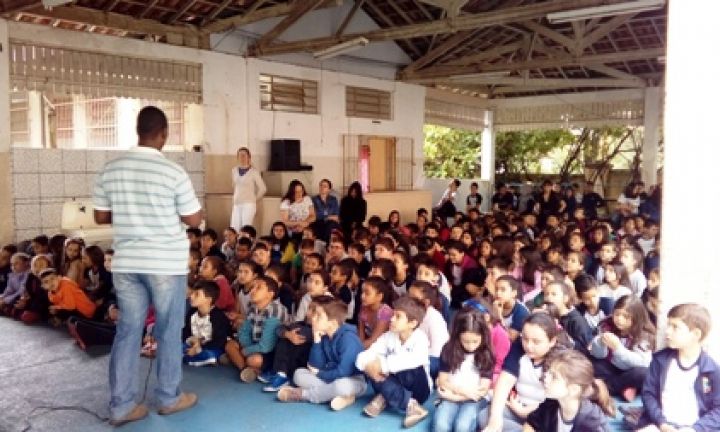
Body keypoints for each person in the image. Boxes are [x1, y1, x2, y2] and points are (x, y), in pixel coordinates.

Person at [93, 105, 203, 425]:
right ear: (164, 134)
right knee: (169, 330)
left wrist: (130, 214)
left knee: (128, 330)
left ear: (138, 131)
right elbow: (193, 219)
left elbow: (100, 216)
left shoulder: (111, 169)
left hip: (127, 263)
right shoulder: (173, 172)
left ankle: (122, 406)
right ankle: (169, 397)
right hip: (165, 263)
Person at [479, 312, 571, 432]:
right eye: (525, 339)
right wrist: (495, 419)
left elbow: (558, 400)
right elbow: (505, 381)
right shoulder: (519, 347)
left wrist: (526, 411)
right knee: (484, 417)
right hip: (517, 407)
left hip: (543, 416)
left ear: (552, 341)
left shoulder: (561, 360)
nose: (528, 346)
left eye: (536, 342)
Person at [636, 303, 720, 431]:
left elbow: (718, 410)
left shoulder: (711, 370)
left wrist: (695, 429)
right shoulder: (660, 360)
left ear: (696, 334)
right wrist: (661, 423)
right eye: (668, 325)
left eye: (675, 327)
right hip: (659, 425)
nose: (667, 331)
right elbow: (648, 394)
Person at [277, 296, 367, 411]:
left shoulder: (348, 339)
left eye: (318, 316)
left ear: (332, 323)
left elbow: (343, 372)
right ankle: (340, 397)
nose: (313, 318)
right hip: (330, 378)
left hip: (353, 380)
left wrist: (320, 374)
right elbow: (316, 366)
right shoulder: (323, 336)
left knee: (341, 386)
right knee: (298, 374)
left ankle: (303, 395)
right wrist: (317, 340)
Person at [355, 296, 432, 428]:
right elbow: (362, 357)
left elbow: (412, 360)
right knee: (372, 369)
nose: (391, 319)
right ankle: (411, 406)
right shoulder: (388, 336)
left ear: (412, 323)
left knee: (406, 368)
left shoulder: (420, 339)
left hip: (419, 390)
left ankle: (386, 397)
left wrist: (382, 365)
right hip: (397, 385)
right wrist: (368, 366)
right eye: (393, 315)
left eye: (398, 316)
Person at [433, 307, 494, 432]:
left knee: (462, 427)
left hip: (473, 399)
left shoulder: (486, 353)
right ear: (457, 335)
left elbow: (483, 389)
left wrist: (457, 398)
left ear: (483, 336)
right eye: (466, 341)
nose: (471, 346)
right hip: (453, 393)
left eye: (475, 341)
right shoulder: (448, 349)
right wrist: (461, 391)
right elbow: (443, 380)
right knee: (441, 426)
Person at [524, 349, 615, 431]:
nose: (546, 378)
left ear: (573, 390)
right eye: (548, 372)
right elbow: (531, 423)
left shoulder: (591, 423)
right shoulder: (550, 404)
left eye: (554, 377)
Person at [589, 295, 654, 401]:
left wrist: (618, 348)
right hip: (610, 367)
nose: (619, 319)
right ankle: (624, 388)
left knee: (644, 373)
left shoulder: (643, 334)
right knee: (590, 359)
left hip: (630, 370)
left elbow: (643, 362)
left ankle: (606, 387)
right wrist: (600, 342)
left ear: (636, 318)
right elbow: (598, 354)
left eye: (626, 316)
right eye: (617, 314)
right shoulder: (606, 325)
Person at [224, 276, 290, 383]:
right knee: (230, 345)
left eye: (258, 288)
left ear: (270, 294)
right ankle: (245, 369)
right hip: (254, 345)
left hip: (272, 351)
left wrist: (245, 351)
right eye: (253, 287)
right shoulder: (253, 307)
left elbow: (266, 346)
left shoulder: (275, 310)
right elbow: (244, 331)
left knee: (254, 360)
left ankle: (243, 363)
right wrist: (246, 346)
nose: (253, 290)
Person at [182, 280, 231, 367]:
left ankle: (194, 358)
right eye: (192, 293)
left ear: (208, 299)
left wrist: (199, 348)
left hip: (210, 346)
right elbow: (185, 331)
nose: (191, 296)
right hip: (193, 343)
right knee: (179, 348)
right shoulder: (192, 312)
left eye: (196, 294)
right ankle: (195, 358)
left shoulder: (218, 317)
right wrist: (191, 340)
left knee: (210, 354)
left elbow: (219, 340)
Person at [407, 280, 449, 379]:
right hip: (415, 355)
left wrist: (413, 357)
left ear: (426, 302)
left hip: (435, 359)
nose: (408, 301)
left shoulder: (434, 318)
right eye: (408, 296)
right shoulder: (409, 314)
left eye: (413, 298)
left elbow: (437, 351)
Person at [230, 146, 266, 232]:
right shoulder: (234, 170)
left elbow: (263, 188)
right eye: (240, 155)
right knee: (234, 228)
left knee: (245, 228)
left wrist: (254, 199)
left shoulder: (254, 172)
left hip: (248, 204)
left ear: (249, 157)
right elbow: (234, 185)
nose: (242, 158)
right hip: (237, 203)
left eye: (244, 155)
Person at [280, 179, 316, 246]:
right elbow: (285, 222)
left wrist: (304, 224)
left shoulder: (307, 199)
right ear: (292, 192)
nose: (299, 194)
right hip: (294, 228)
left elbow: (313, 216)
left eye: (301, 191)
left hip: (307, 226)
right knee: (297, 237)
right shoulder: (286, 202)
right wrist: (299, 223)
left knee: (309, 234)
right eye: (296, 192)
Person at [312, 179, 341, 243]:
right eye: (321, 185)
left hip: (331, 223)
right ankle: (323, 245)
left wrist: (325, 216)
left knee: (331, 225)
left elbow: (336, 215)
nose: (322, 188)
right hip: (318, 222)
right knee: (319, 225)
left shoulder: (333, 199)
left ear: (329, 189)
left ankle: (327, 245)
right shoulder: (314, 199)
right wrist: (329, 216)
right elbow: (315, 215)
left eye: (325, 186)